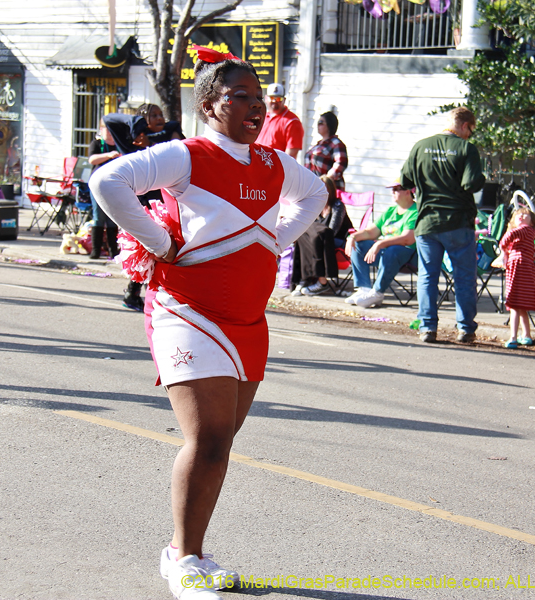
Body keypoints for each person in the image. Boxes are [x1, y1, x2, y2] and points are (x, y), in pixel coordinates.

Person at [90, 46, 326, 600]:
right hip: (188, 312)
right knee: (209, 438)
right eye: (240, 96)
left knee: (221, 443)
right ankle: (183, 559)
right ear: (209, 105)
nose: (255, 107)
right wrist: (159, 242)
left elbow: (314, 193)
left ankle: (187, 549)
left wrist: (274, 239)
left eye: (259, 98)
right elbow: (108, 183)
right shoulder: (187, 155)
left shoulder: (272, 164)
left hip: (248, 320)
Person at [399, 106, 485, 344]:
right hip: (458, 222)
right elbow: (471, 184)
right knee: (464, 277)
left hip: (427, 222)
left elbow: (405, 180)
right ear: (465, 126)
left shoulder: (420, 146)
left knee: (427, 276)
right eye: (470, 131)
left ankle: (427, 328)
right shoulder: (466, 148)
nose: (469, 135)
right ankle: (465, 329)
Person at [102, 112, 151, 311]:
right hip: (142, 209)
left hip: (166, 208)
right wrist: (134, 123)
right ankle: (137, 295)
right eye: (153, 116)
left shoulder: (167, 142)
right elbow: (109, 119)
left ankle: (134, 294)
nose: (160, 119)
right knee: (147, 252)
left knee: (151, 255)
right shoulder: (132, 147)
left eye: (161, 115)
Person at [344, 179, 419, 309]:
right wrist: (353, 237)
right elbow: (371, 232)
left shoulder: (415, 211)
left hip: (407, 254)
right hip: (385, 252)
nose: (392, 192)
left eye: (396, 189)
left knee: (393, 250)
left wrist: (380, 244)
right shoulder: (390, 211)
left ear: (407, 192)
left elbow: (408, 239)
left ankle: (377, 293)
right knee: (359, 245)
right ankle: (364, 289)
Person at [292, 175, 351, 296]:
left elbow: (332, 231)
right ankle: (305, 279)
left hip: (339, 240)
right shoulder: (316, 205)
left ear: (330, 190)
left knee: (317, 238)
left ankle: (322, 281)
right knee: (303, 236)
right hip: (320, 240)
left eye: (323, 189)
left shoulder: (337, 206)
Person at [500, 205, 535, 348]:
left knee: (514, 304)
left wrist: (503, 249)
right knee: (522, 306)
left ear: (532, 221)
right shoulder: (530, 232)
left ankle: (513, 337)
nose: (522, 216)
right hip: (526, 269)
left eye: (526, 215)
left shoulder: (523, 229)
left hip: (518, 267)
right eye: (518, 214)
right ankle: (526, 335)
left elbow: (507, 238)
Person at [87, 118, 122, 261]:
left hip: (115, 186)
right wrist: (108, 155)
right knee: (98, 217)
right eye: (107, 129)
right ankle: (96, 250)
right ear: (101, 130)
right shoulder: (97, 144)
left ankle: (113, 250)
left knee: (112, 218)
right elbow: (92, 159)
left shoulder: (120, 144)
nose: (110, 132)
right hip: (98, 187)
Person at [254, 82, 304, 158]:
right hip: (257, 162)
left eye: (278, 99)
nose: (274, 101)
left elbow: (291, 154)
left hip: (274, 164)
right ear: (266, 98)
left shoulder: (292, 121)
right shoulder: (262, 117)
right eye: (272, 98)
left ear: (284, 100)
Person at [304, 110, 348, 190]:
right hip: (312, 188)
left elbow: (341, 163)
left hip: (328, 190)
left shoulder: (336, 143)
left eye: (321, 122)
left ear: (329, 125)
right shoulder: (317, 145)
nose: (318, 125)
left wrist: (326, 180)